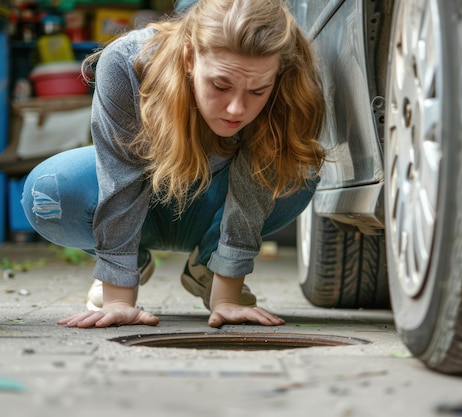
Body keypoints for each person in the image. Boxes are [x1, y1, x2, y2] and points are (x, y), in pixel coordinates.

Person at [20, 0, 326, 329]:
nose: (237, 109)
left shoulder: (288, 83)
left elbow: (254, 185)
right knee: (48, 191)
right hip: (144, 193)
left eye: (257, 90)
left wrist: (226, 298)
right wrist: (119, 298)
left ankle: (208, 265)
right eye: (221, 85)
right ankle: (129, 262)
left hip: (215, 203)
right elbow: (119, 178)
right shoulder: (126, 62)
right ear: (189, 56)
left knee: (299, 167)